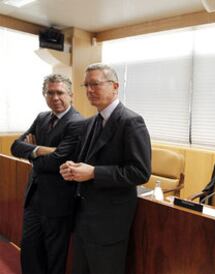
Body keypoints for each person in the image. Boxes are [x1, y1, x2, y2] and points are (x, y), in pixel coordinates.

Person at [60, 63, 151, 274]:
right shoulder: (91, 121)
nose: (90, 91)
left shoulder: (131, 121)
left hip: (109, 222)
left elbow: (140, 172)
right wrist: (72, 169)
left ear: (115, 86)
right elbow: (88, 160)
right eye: (86, 85)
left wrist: (93, 172)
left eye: (95, 84)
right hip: (84, 218)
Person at [11, 74, 83, 274]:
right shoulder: (42, 117)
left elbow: (57, 161)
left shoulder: (77, 122)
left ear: (71, 95)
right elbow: (15, 146)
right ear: (44, 95)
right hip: (34, 198)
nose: (55, 97)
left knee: (54, 257)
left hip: (58, 202)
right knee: (30, 251)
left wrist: (34, 152)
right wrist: (44, 150)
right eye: (50, 93)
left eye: (60, 92)